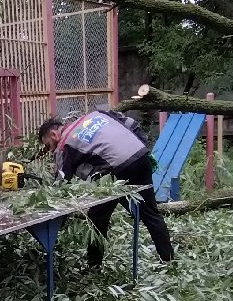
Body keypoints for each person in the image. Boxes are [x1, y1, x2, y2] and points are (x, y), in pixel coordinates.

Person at [38, 110, 175, 266]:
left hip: (118, 170)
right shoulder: (95, 115)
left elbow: (61, 184)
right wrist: (142, 148)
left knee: (97, 218)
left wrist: (55, 218)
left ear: (54, 135)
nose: (50, 150)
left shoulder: (65, 144)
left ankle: (93, 266)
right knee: (151, 213)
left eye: (48, 145)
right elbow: (130, 123)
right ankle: (169, 261)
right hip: (141, 156)